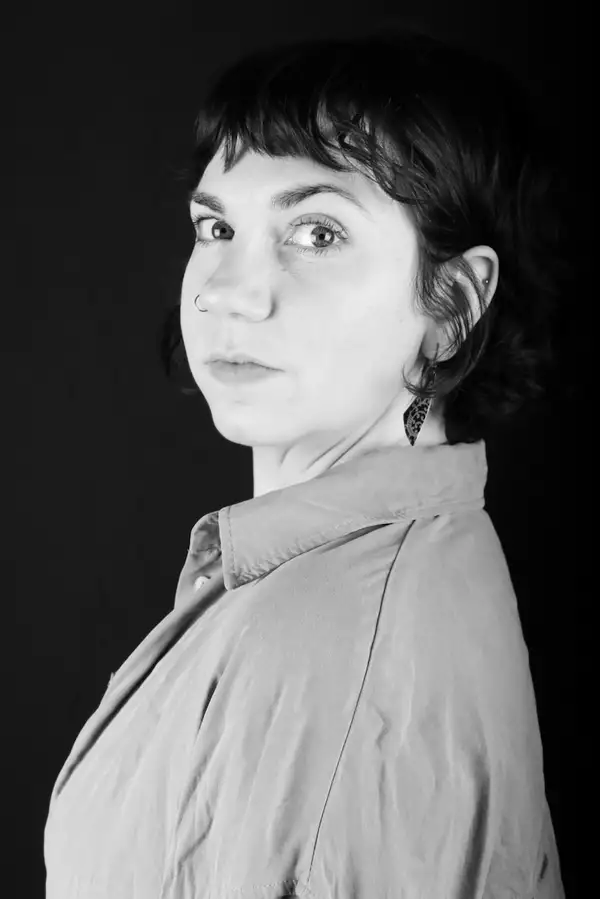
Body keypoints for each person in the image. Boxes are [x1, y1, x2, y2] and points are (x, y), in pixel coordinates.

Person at [44, 25, 567, 899]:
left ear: (453, 303)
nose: (225, 290)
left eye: (317, 232)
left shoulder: (338, 656)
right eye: (217, 226)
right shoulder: (338, 576)